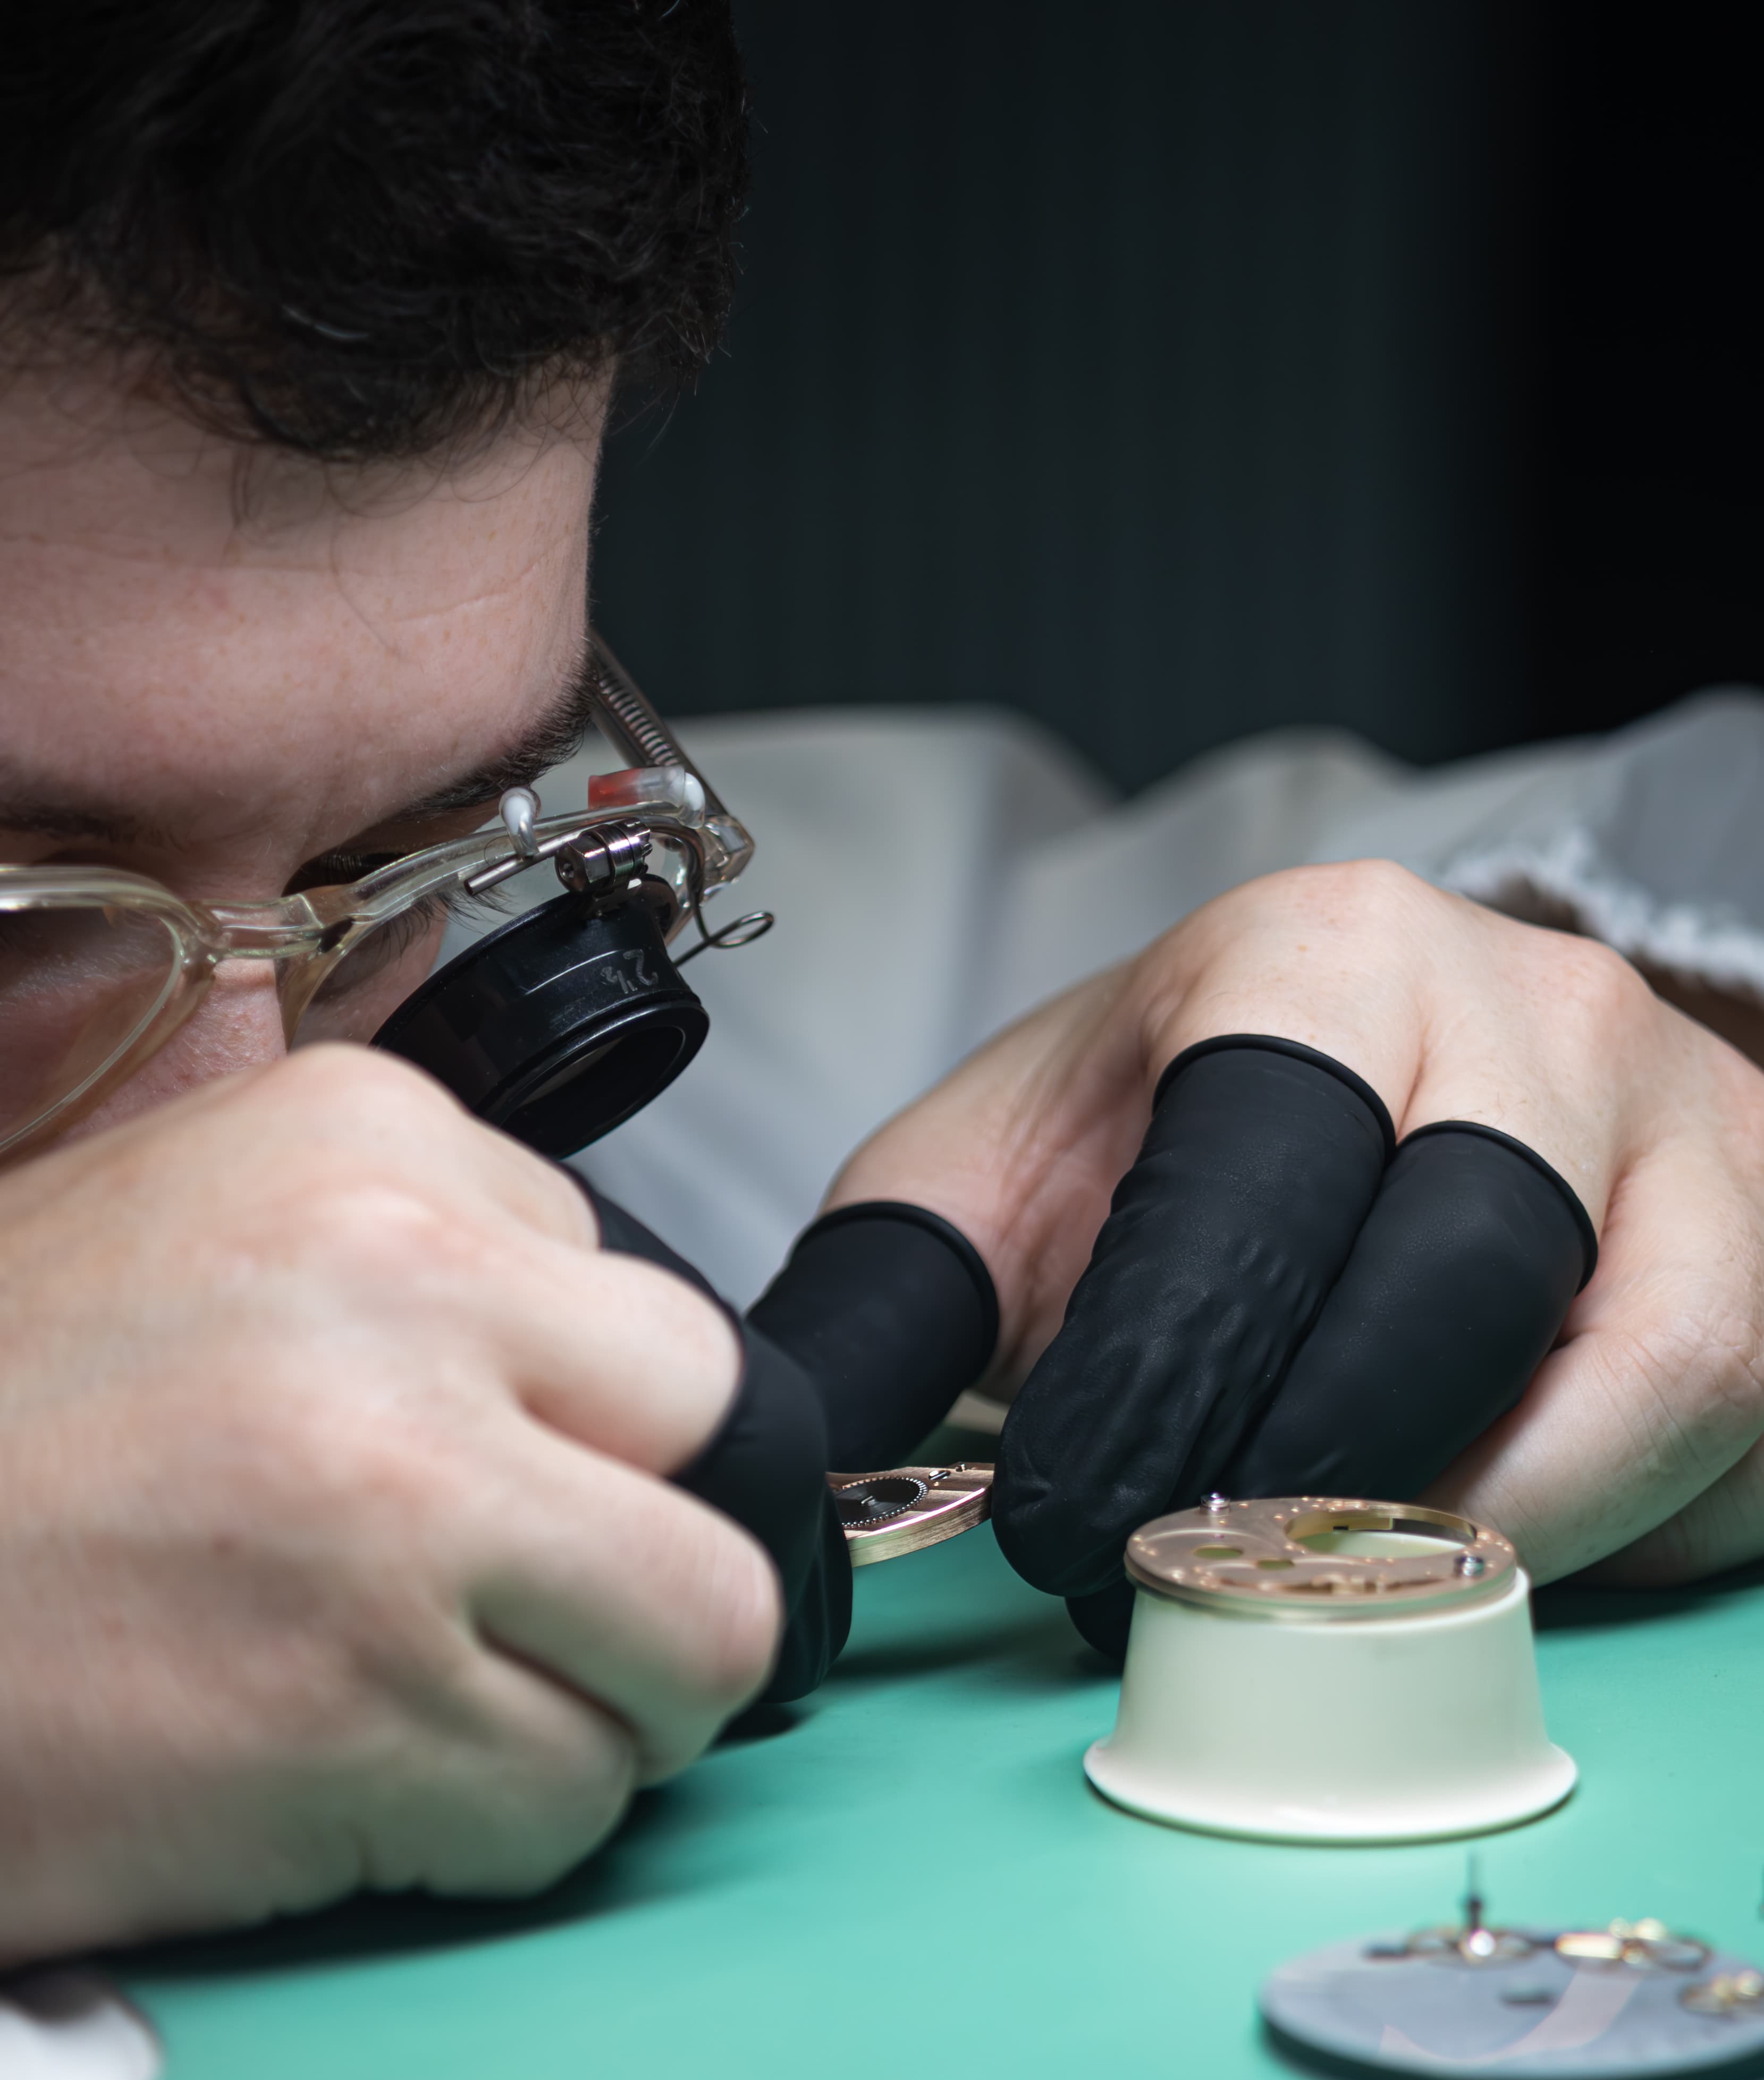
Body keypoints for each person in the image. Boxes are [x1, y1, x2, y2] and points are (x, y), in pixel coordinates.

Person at [6, 3, 1764, 1963]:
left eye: (399, 857)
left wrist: (1658, 1103)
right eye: (17, 913)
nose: (273, 1137)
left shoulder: (783, 993)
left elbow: (1646, 877)